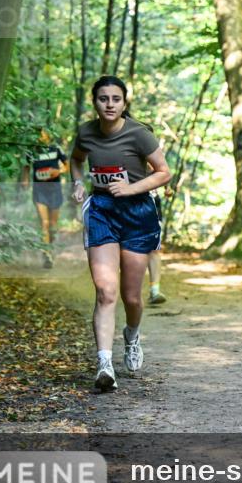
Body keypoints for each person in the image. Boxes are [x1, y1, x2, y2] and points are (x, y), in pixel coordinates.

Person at [70, 76, 171, 391]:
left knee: (131, 296)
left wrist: (130, 188)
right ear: (95, 102)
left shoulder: (139, 134)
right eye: (103, 98)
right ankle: (104, 366)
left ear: (124, 102)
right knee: (105, 291)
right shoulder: (86, 132)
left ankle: (132, 334)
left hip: (137, 213)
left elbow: (164, 173)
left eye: (116, 98)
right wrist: (77, 182)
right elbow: (76, 160)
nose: (109, 104)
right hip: (102, 211)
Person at [21, 128, 68, 268]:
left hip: (55, 190)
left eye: (41, 134)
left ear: (48, 135)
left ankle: (51, 249)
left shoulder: (56, 148)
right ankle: (46, 254)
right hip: (39, 190)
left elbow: (67, 166)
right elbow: (26, 166)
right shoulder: (32, 151)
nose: (38, 137)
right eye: (36, 135)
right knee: (44, 223)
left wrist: (58, 171)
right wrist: (25, 179)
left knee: (52, 226)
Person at [146, 186, 172, 304]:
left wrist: (168, 187)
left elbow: (163, 175)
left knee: (153, 249)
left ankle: (155, 291)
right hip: (127, 204)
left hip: (153, 206)